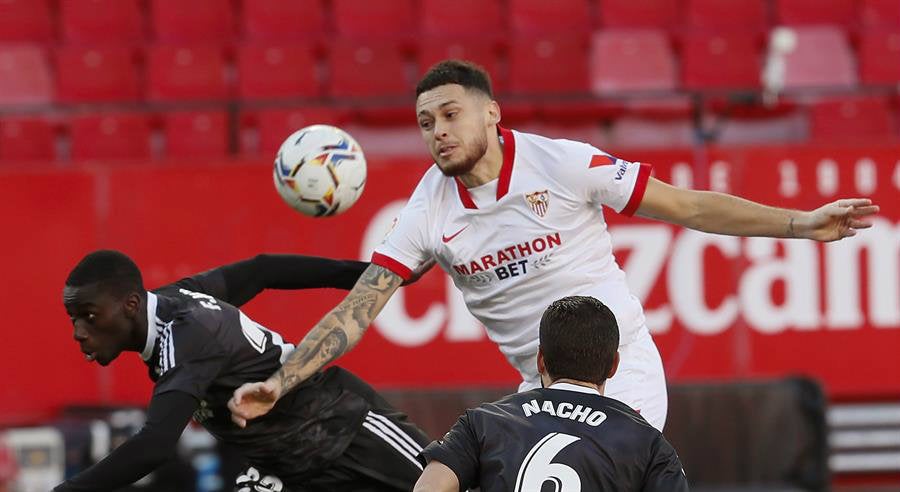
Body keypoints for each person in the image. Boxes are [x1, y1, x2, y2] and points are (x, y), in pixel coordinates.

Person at [228, 60, 880, 432]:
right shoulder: (425, 212)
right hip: (538, 392)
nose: (437, 132)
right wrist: (281, 382)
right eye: (426, 122)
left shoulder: (562, 165)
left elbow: (690, 206)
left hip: (620, 377)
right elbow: (357, 311)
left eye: (451, 114)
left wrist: (799, 223)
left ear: (491, 113)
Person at [55, 251, 430, 492]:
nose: (78, 332)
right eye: (74, 318)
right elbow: (262, 270)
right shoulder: (176, 300)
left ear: (130, 304)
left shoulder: (189, 336)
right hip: (284, 469)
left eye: (89, 316)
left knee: (451, 485)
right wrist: (367, 274)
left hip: (344, 429)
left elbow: (154, 445)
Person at [414, 296, 689, 491]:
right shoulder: (647, 442)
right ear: (614, 365)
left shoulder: (483, 422)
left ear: (541, 361)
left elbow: (430, 486)